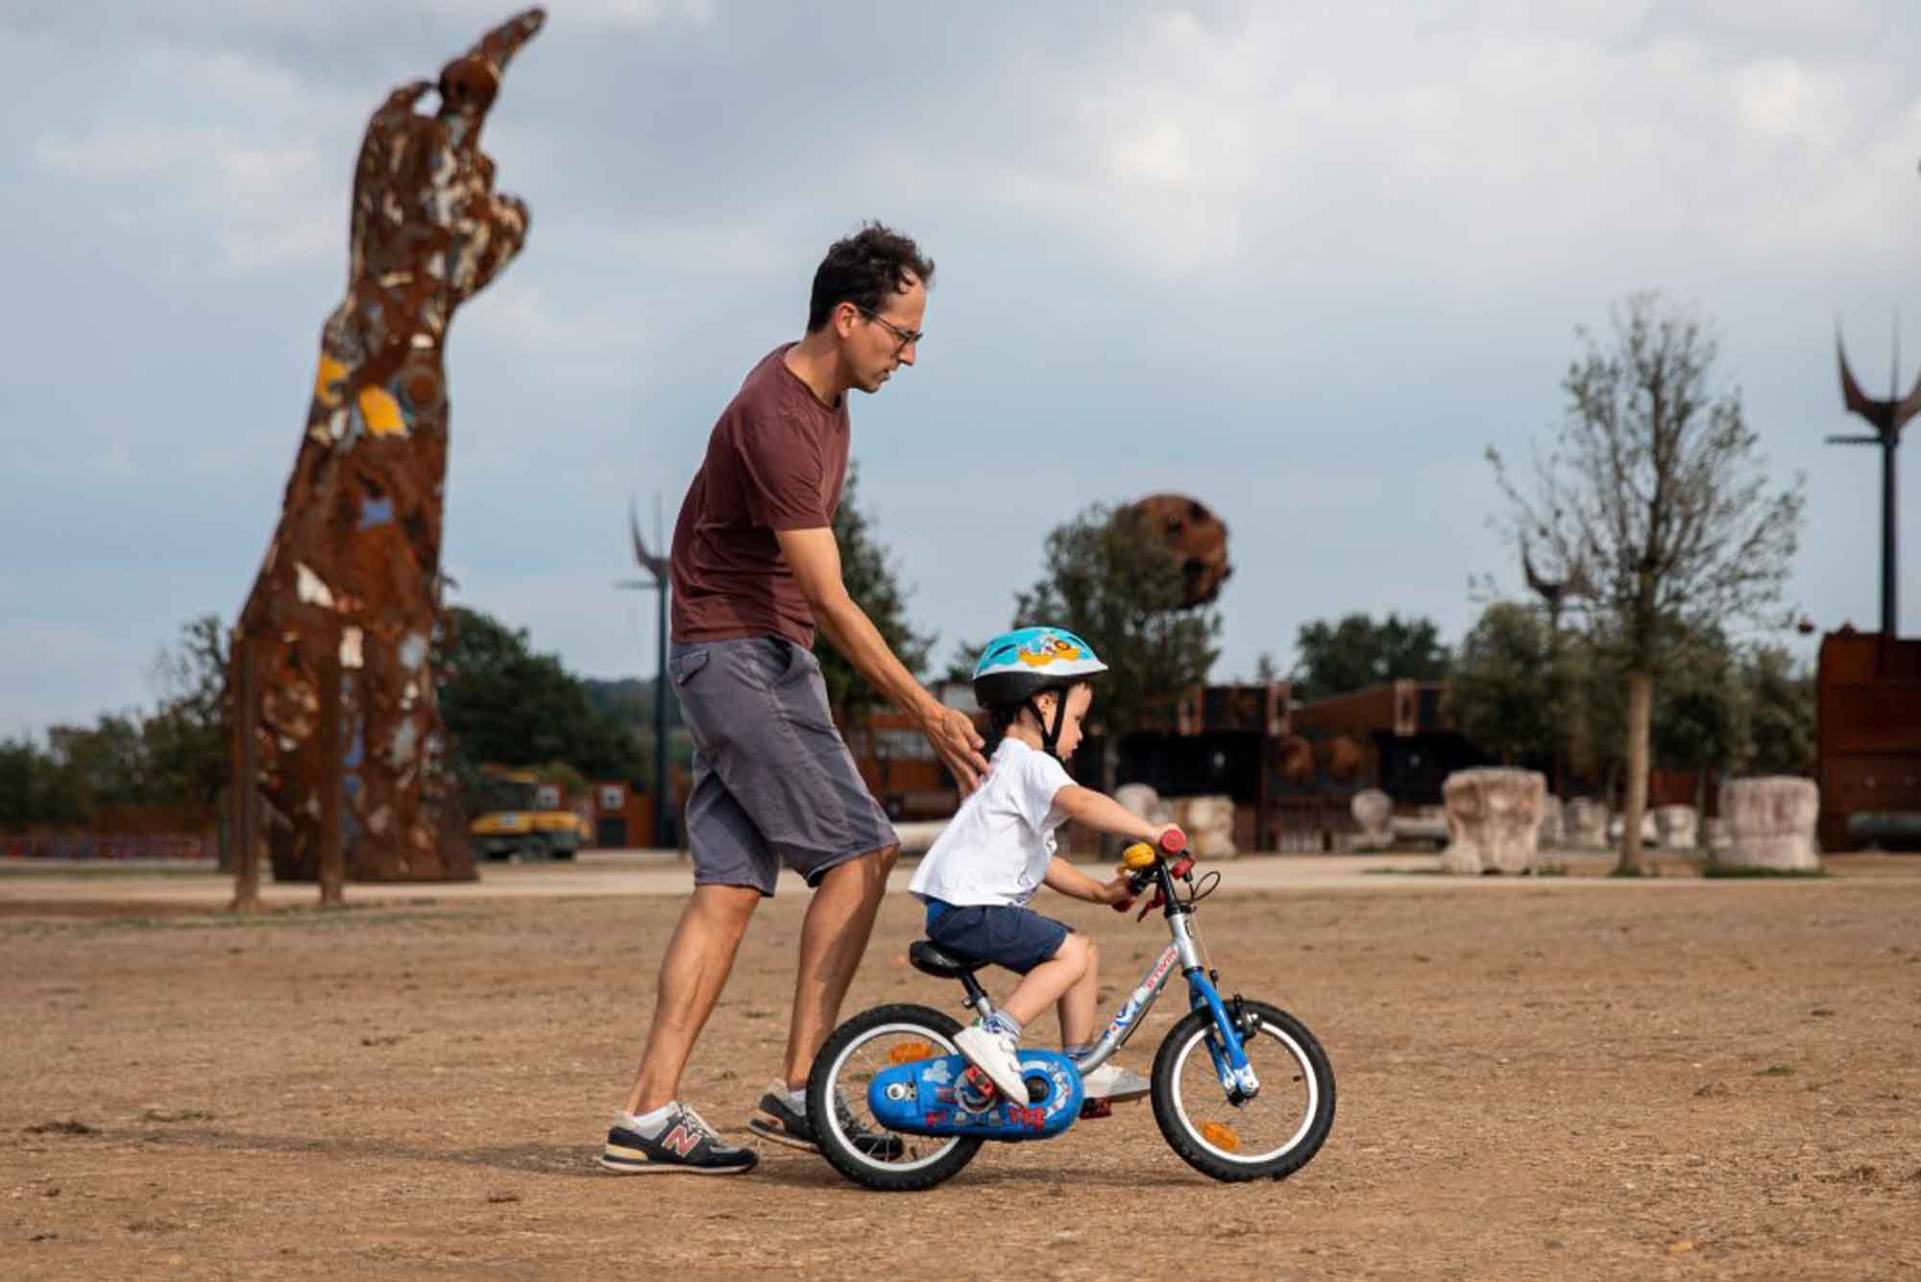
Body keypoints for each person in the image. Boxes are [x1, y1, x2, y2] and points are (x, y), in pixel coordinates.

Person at [600, 224, 989, 1176]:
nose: (909, 356)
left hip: (730, 655)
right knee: (862, 853)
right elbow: (827, 596)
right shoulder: (778, 418)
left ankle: (648, 1115)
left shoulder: (820, 394)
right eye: (901, 335)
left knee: (728, 890)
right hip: (744, 659)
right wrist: (927, 712)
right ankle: (807, 1088)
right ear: (846, 318)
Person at [907, 626, 1177, 1103]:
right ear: (1044, 706)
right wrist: (1153, 831)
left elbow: (1042, 862)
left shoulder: (1011, 770)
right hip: (970, 909)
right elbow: (1082, 803)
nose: (1080, 734)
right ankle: (997, 1033)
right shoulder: (1031, 764)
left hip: (965, 908)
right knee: (1069, 952)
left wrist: (1101, 892)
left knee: (1083, 950)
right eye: (1077, 719)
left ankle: (1081, 1064)